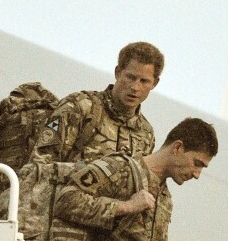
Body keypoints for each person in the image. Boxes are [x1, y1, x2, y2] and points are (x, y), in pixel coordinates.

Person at [50, 117, 219, 241]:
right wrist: (126, 206)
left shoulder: (165, 200)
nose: (197, 174)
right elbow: (65, 200)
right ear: (177, 148)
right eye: (197, 163)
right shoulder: (119, 168)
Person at [31, 41, 164, 164]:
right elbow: (40, 164)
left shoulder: (146, 134)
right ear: (118, 72)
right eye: (131, 77)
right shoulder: (80, 106)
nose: (135, 87)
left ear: (155, 83)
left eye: (144, 81)